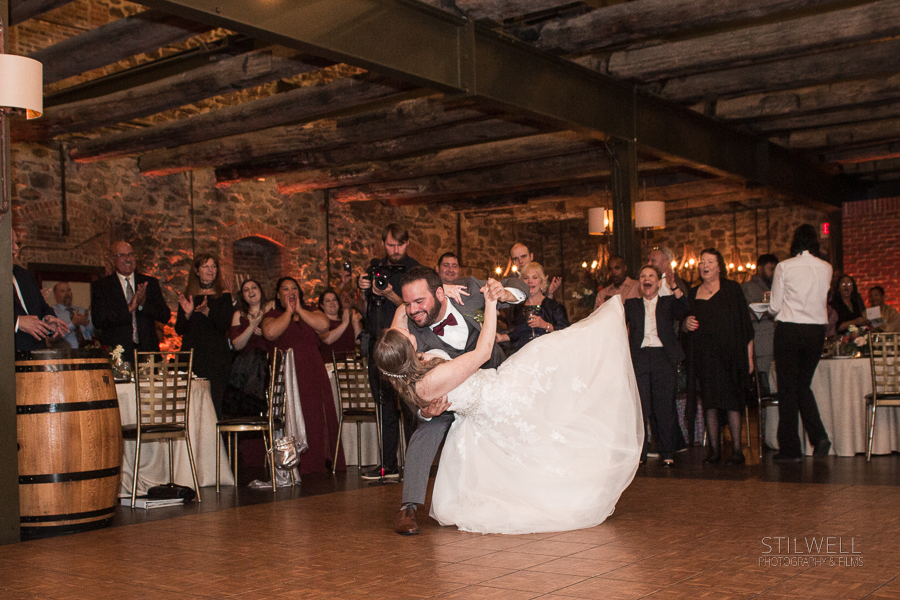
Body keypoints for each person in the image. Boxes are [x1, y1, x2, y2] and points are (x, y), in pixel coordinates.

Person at [375, 280, 642, 535]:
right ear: (404, 351)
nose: (408, 322)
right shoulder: (423, 375)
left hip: (490, 384)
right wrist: (490, 304)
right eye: (404, 333)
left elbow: (402, 310)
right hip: (492, 395)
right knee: (554, 378)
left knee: (553, 363)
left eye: (418, 301)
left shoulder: (407, 359)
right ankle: (408, 507)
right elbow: (481, 353)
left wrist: (447, 289)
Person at [391, 266, 527, 535]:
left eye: (420, 301)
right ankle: (409, 506)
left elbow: (517, 284)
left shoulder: (467, 291)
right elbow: (407, 386)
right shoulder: (410, 338)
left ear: (440, 293)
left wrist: (505, 294)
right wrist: (425, 411)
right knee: (427, 428)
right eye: (407, 304)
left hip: (494, 378)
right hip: (449, 397)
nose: (413, 310)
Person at [357, 223, 421, 480]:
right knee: (384, 407)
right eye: (390, 245)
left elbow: (414, 308)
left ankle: (414, 466)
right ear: (383, 243)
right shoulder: (375, 268)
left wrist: (391, 294)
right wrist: (362, 291)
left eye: (399, 245)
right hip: (376, 344)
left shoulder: (414, 270)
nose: (395, 250)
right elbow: (364, 310)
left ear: (407, 244)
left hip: (403, 347)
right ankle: (388, 466)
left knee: (409, 407)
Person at [263, 276, 344, 474]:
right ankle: (294, 462)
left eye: (294, 288)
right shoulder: (272, 315)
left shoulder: (311, 313)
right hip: (289, 374)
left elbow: (324, 325)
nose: (290, 292)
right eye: (285, 289)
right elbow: (270, 333)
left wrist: (299, 310)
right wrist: (289, 313)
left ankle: (320, 460)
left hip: (313, 371)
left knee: (317, 415)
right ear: (278, 295)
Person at [768, 225, 833, 462]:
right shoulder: (826, 268)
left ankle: (791, 450)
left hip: (790, 330)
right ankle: (819, 436)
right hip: (816, 332)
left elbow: (774, 306)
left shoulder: (785, 266)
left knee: (787, 389)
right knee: (802, 386)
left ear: (795, 241)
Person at [683, 248, 754, 465]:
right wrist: (686, 325)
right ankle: (714, 450)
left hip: (731, 357)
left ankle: (736, 450)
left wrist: (749, 358)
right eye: (701, 262)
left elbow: (745, 326)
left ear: (719, 267)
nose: (704, 265)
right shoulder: (694, 293)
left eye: (709, 262)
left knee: (732, 402)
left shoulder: (732, 289)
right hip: (705, 358)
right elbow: (685, 325)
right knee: (710, 404)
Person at [625, 265, 688, 467]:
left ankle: (667, 452)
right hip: (640, 357)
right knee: (642, 407)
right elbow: (616, 323)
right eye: (642, 276)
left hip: (663, 357)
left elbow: (686, 309)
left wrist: (674, 286)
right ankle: (641, 454)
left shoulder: (668, 302)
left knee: (664, 407)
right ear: (639, 284)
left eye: (651, 276)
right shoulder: (631, 304)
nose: (646, 279)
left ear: (659, 283)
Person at [175, 254, 234, 420]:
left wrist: (209, 312)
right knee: (191, 406)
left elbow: (224, 326)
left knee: (214, 405)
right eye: (206, 266)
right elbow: (179, 329)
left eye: (214, 266)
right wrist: (187, 315)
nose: (211, 270)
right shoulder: (188, 296)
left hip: (216, 358)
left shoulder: (223, 295)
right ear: (197, 271)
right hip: (193, 357)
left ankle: (215, 444)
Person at [91, 241, 171, 361]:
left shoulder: (149, 283)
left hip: (147, 354)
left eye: (131, 255)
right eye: (122, 255)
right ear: (113, 260)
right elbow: (98, 320)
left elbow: (165, 315)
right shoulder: (102, 286)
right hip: (118, 355)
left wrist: (144, 303)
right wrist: (128, 308)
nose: (128, 259)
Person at [12, 229, 67, 352]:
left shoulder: (24, 275)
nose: (15, 248)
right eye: (10, 243)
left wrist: (48, 319)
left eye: (16, 243)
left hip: (35, 355)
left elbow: (42, 306)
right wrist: (17, 322)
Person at [224, 279, 273, 417]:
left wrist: (266, 333)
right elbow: (237, 345)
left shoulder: (271, 312)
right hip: (245, 369)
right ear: (243, 296)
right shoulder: (238, 315)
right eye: (246, 290)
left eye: (254, 288)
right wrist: (251, 327)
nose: (251, 291)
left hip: (269, 365)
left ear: (260, 291)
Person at [496, 261, 569, 352]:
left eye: (535, 277)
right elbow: (519, 332)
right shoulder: (518, 307)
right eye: (526, 278)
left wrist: (545, 325)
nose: (530, 281)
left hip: (547, 352)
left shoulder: (554, 306)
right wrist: (501, 337)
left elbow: (566, 331)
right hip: (523, 351)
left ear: (542, 282)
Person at [743, 254, 779, 380]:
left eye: (775, 269)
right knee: (765, 381)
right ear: (759, 269)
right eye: (771, 269)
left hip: (776, 341)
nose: (773, 273)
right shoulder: (748, 288)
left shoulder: (777, 286)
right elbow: (746, 315)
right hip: (761, 342)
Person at [317, 289, 362, 363]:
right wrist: (344, 324)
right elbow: (328, 340)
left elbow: (358, 341)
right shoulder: (320, 322)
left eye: (334, 300)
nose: (332, 303)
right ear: (322, 305)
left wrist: (355, 322)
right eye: (328, 301)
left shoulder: (346, 319)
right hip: (330, 365)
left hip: (349, 366)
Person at [51, 281, 94, 349]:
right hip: (67, 353)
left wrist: (87, 324)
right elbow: (54, 337)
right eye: (62, 291)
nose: (67, 294)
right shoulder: (53, 312)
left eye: (68, 290)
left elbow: (94, 332)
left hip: (87, 350)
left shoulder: (81, 310)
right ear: (55, 295)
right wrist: (72, 324)